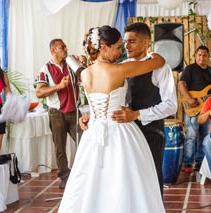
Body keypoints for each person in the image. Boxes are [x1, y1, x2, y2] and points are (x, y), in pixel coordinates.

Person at [59, 25, 166, 212]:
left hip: (93, 132)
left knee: (92, 181)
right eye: (117, 47)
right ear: (104, 47)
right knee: (124, 180)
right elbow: (159, 61)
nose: (121, 51)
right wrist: (153, 54)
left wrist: (89, 117)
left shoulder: (84, 74)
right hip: (120, 132)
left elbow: (70, 61)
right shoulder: (119, 70)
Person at [111, 22, 177, 195]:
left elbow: (171, 105)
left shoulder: (161, 67)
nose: (126, 46)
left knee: (151, 178)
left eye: (131, 41)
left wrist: (137, 114)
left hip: (152, 133)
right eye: (125, 41)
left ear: (146, 42)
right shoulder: (122, 66)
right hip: (124, 132)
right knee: (128, 179)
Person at [35, 39, 82, 189]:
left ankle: (85, 173)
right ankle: (65, 177)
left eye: (65, 46)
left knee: (85, 142)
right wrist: (59, 86)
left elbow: (86, 76)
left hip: (75, 110)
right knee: (60, 148)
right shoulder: (46, 69)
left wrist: (83, 63)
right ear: (53, 50)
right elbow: (39, 92)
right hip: (57, 113)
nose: (66, 49)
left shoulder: (72, 63)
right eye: (62, 47)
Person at [178, 45, 211, 172]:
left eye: (204, 55)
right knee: (191, 135)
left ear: (208, 57)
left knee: (205, 136)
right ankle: (188, 163)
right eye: (199, 55)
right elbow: (181, 84)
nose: (202, 57)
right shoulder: (190, 69)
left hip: (207, 109)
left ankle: (200, 162)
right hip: (193, 108)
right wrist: (189, 99)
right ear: (195, 56)